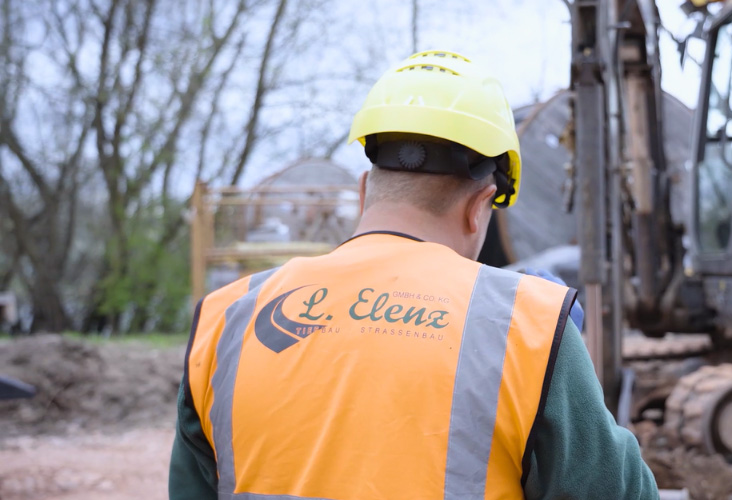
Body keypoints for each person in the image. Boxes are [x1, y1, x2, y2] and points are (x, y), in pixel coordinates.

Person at [168, 50, 659, 500]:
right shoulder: (531, 327)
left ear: (364, 191)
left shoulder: (224, 318)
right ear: (481, 207)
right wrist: (563, 365)